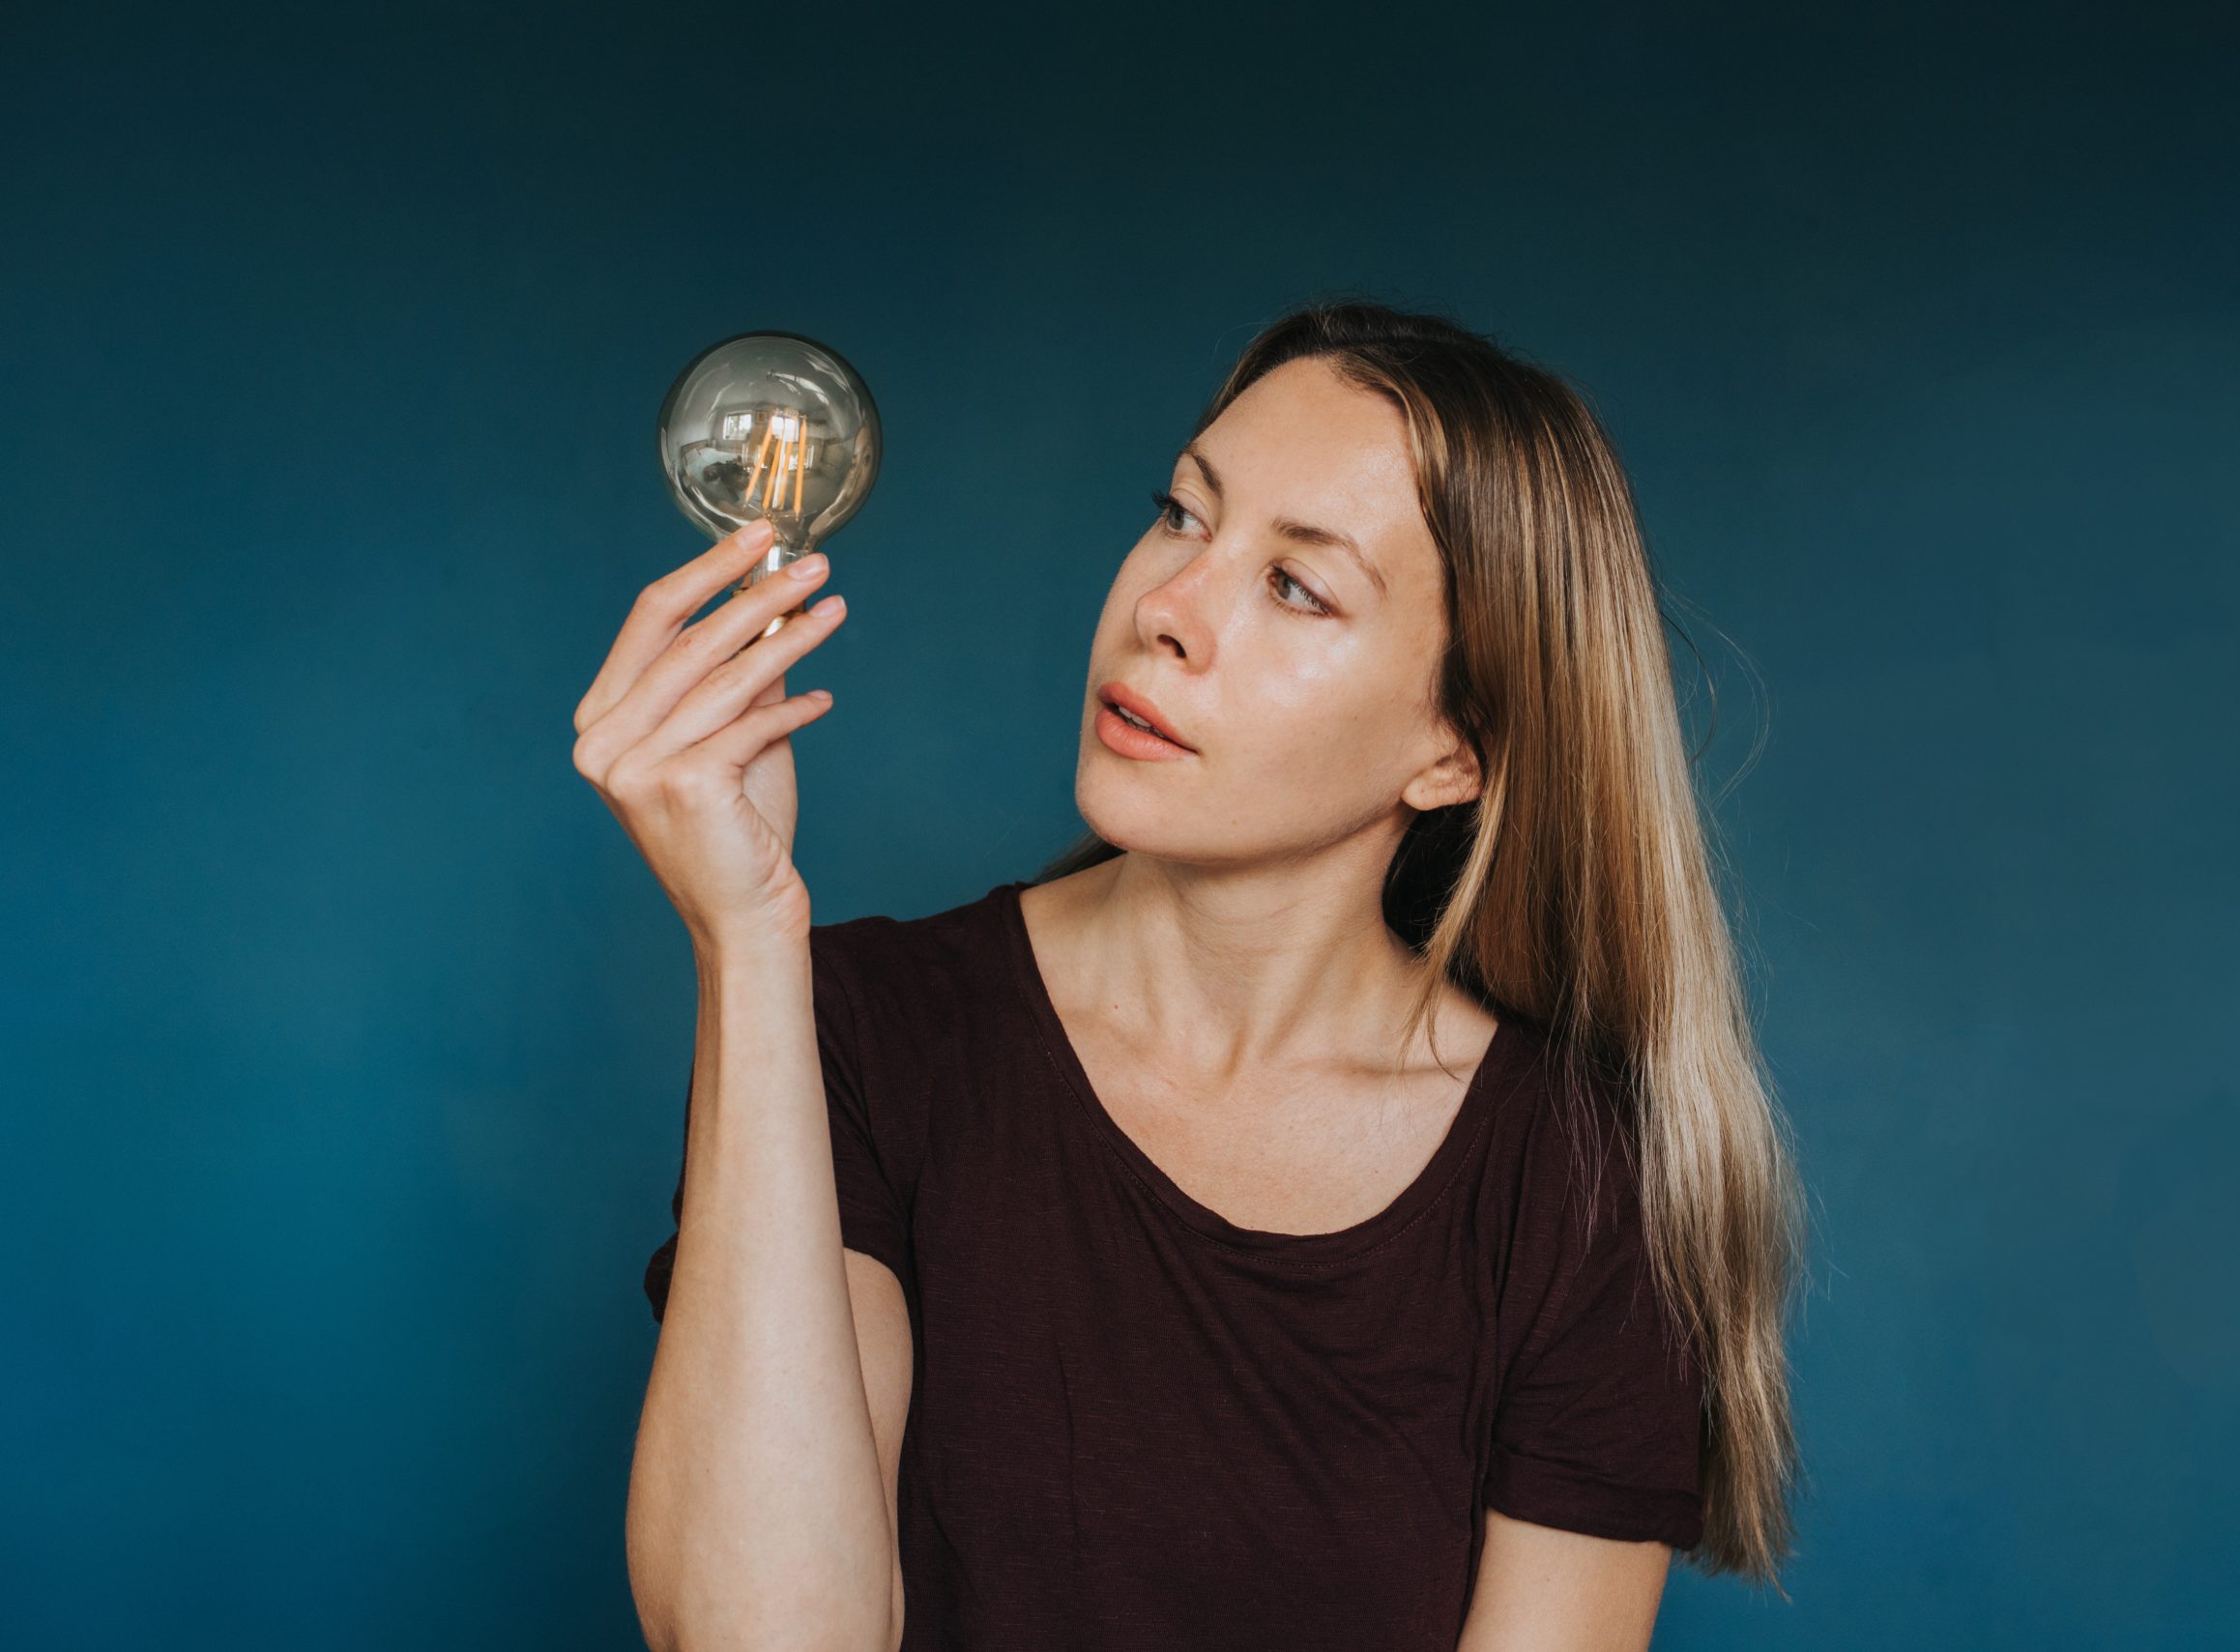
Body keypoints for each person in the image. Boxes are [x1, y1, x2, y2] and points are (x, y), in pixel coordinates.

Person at [578, 300, 1807, 1652]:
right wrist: (749, 942)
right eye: (1181, 512)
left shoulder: (1572, 1182)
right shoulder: (866, 1034)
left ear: (1456, 749)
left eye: (1296, 585)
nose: (1164, 609)